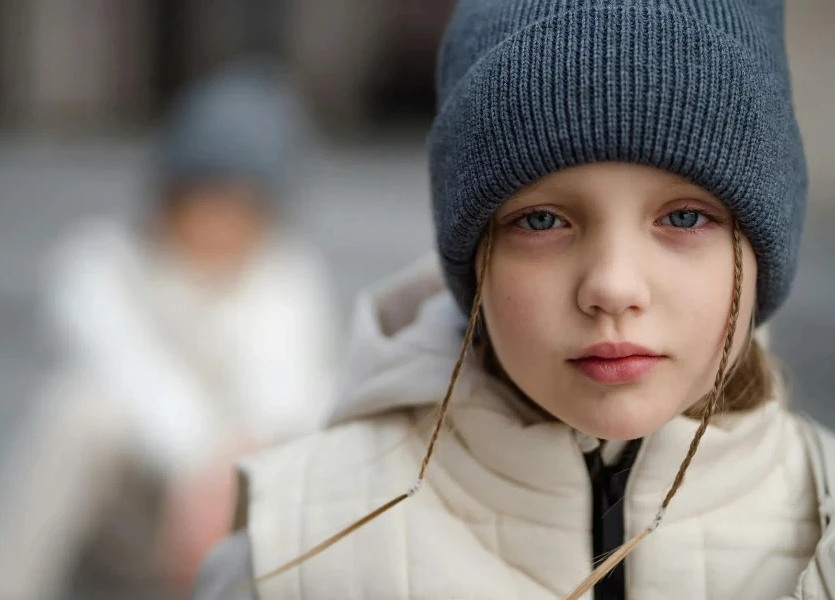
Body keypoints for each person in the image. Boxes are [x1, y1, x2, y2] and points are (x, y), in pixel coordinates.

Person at [193, 1, 835, 599]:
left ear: (761, 246)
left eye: (687, 218)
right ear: (474, 253)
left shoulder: (821, 535)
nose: (612, 286)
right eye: (541, 221)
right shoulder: (292, 556)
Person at [0, 60, 338, 600]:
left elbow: (280, 393)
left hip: (237, 527)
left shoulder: (285, 274)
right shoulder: (98, 264)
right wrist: (203, 465)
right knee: (82, 410)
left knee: (320, 422)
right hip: (132, 532)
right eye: (206, 197)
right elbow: (130, 371)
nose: (218, 223)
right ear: (169, 193)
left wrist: (224, 474)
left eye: (239, 205)